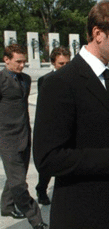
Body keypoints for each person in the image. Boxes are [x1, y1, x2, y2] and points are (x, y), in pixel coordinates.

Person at [33, 0, 109, 229]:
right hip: (84, 214)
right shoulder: (60, 84)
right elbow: (47, 159)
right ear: (98, 33)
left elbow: (100, 128)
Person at [0, 44, 48, 229]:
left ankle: (6, 206)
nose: (22, 65)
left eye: (24, 62)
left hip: (25, 135)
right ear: (6, 60)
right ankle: (36, 221)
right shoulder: (1, 80)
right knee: (19, 184)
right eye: (18, 61)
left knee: (17, 176)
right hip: (6, 138)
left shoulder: (26, 80)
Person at [35, 46, 71, 205]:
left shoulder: (74, 78)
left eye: (67, 63)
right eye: (61, 64)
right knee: (48, 163)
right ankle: (42, 189)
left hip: (69, 126)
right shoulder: (45, 80)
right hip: (52, 127)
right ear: (53, 63)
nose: (65, 67)